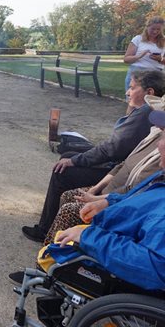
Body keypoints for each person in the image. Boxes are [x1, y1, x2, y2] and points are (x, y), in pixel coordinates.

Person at [21, 70, 165, 242]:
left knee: (63, 172)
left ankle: (47, 231)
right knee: (68, 157)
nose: (127, 92)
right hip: (116, 171)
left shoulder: (146, 115)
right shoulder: (145, 115)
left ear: (149, 92)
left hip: (116, 176)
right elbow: (121, 155)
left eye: (132, 88)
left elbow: (112, 150)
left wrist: (77, 164)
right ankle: (53, 228)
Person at [53, 110, 165, 291]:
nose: (159, 144)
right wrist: (108, 202)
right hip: (110, 231)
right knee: (71, 197)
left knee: (71, 209)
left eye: (164, 137)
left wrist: (89, 236)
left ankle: (51, 272)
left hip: (114, 268)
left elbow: (155, 267)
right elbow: (137, 196)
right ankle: (50, 265)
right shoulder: (161, 178)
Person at [124, 16, 165, 112]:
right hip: (137, 74)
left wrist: (160, 59)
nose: (155, 31)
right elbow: (126, 59)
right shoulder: (138, 39)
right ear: (147, 27)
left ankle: (151, 121)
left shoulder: (164, 41)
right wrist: (139, 56)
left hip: (156, 75)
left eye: (158, 29)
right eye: (153, 29)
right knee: (133, 103)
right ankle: (129, 121)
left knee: (154, 104)